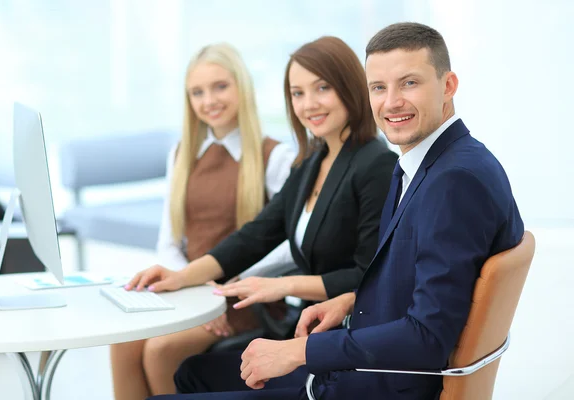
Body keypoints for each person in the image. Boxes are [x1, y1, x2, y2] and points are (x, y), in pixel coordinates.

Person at [155, 22, 525, 400]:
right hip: (364, 364)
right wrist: (350, 302)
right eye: (379, 88)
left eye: (409, 83)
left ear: (448, 86)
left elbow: (427, 336)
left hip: (374, 384)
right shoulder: (424, 165)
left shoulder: (452, 181)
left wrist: (298, 352)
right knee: (191, 375)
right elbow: (406, 285)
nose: (391, 101)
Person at [128, 35, 397, 396]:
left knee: (186, 374)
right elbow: (254, 236)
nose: (309, 104)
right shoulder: (313, 161)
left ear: (349, 87)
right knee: (192, 372)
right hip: (307, 332)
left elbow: (367, 276)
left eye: (322, 88)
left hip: (341, 347)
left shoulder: (375, 163)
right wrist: (180, 277)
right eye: (297, 93)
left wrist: (282, 285)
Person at [110, 43, 298, 400]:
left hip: (243, 300)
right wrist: (197, 287)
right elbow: (168, 242)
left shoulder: (274, 156)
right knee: (124, 343)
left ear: (241, 86)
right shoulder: (182, 154)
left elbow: (293, 242)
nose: (209, 100)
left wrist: (223, 287)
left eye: (220, 86)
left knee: (161, 350)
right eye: (197, 92)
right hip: (191, 290)